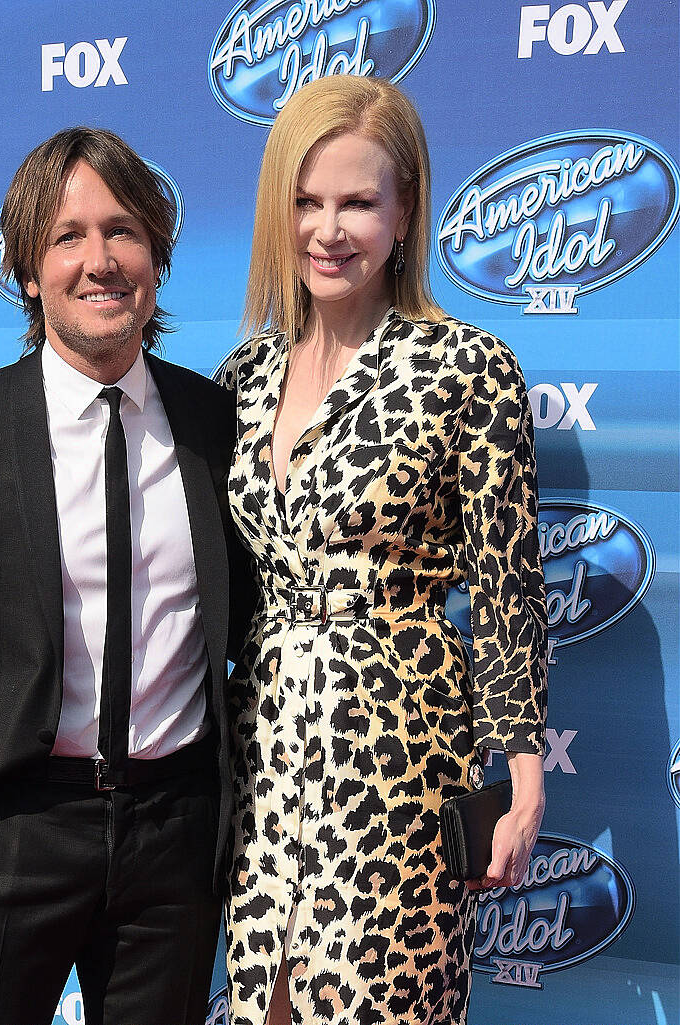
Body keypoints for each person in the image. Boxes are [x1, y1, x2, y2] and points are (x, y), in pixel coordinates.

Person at [0, 126, 251, 1025]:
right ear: (29, 270)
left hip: (176, 838)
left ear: (157, 257)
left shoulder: (218, 422)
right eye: (67, 236)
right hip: (10, 831)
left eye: (123, 231)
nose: (99, 260)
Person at [219, 76, 547, 1025]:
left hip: (402, 753)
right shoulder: (242, 378)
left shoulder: (468, 367)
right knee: (265, 1005)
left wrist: (521, 782)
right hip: (263, 748)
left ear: (405, 213)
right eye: (306, 200)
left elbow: (508, 588)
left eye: (358, 202)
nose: (329, 229)